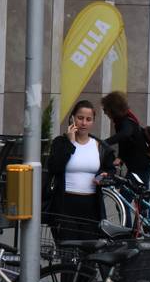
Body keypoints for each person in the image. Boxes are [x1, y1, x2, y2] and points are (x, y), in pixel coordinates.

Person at [45, 100, 116, 243]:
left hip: (91, 206)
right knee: (68, 249)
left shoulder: (100, 146)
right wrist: (70, 143)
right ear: (72, 118)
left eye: (88, 119)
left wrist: (104, 176)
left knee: (89, 249)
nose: (84, 123)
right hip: (64, 204)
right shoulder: (61, 142)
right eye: (80, 118)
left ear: (93, 122)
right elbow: (54, 167)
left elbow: (110, 170)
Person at [102, 91, 150, 190]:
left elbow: (125, 134)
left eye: (105, 109)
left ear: (113, 109)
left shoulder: (126, 121)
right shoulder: (122, 121)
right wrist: (120, 157)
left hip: (141, 166)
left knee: (131, 195)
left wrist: (104, 143)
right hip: (136, 165)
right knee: (132, 194)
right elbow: (125, 143)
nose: (104, 112)